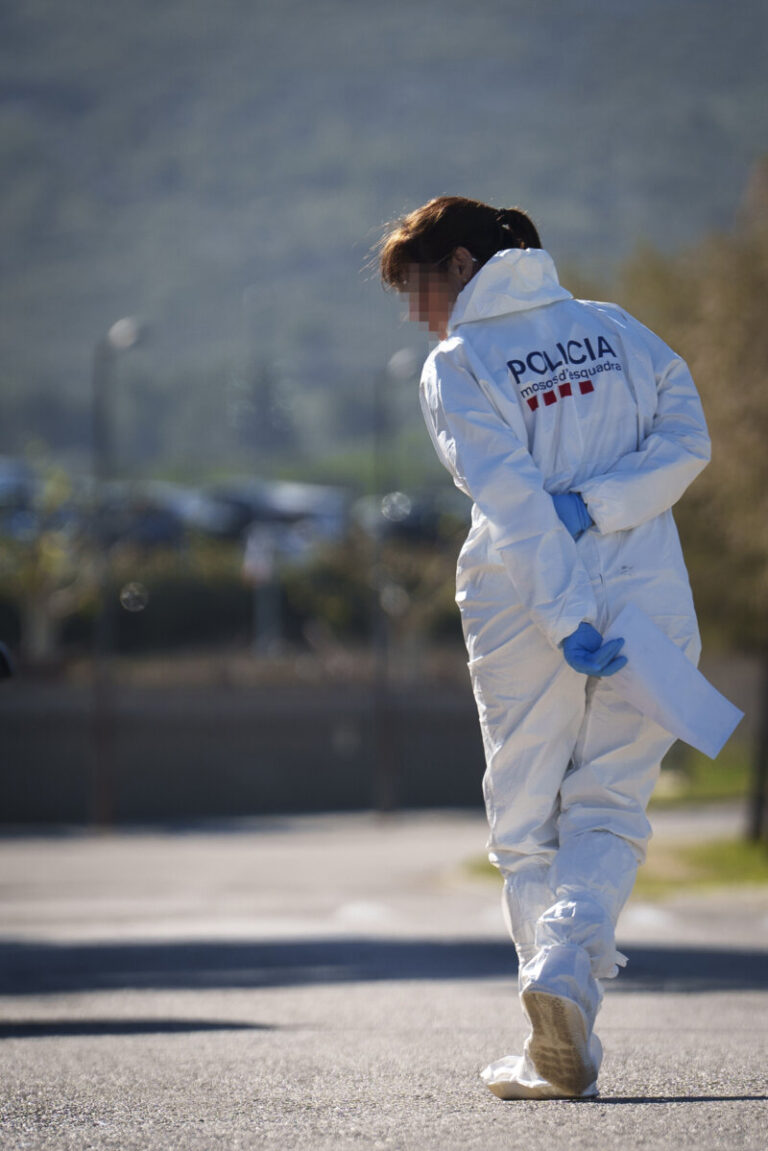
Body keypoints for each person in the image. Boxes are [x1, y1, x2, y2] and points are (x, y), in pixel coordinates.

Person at [377, 196, 710, 1099]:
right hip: (648, 592)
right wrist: (607, 504)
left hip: (525, 604)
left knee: (526, 820)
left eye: (415, 289)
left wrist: (567, 617)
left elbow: (516, 503)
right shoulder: (617, 330)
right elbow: (690, 441)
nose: (417, 313)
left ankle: (551, 1015)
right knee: (610, 805)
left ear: (454, 263)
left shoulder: (460, 362)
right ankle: (563, 973)